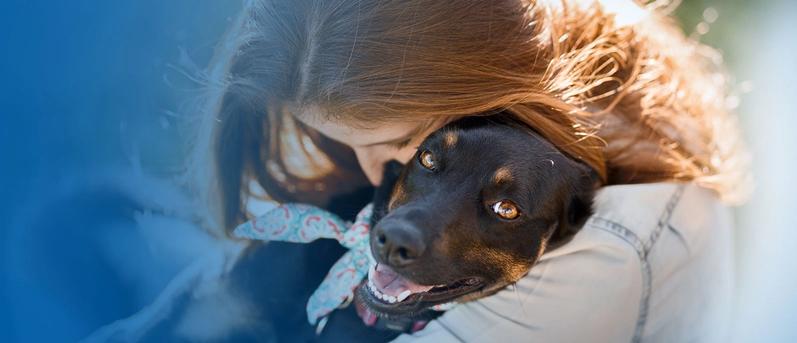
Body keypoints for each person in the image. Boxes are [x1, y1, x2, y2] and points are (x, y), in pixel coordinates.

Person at [189, 0, 751, 341]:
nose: (373, 175)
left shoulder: (598, 252)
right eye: (332, 139)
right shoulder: (531, 118)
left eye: (407, 142)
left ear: (484, 89)